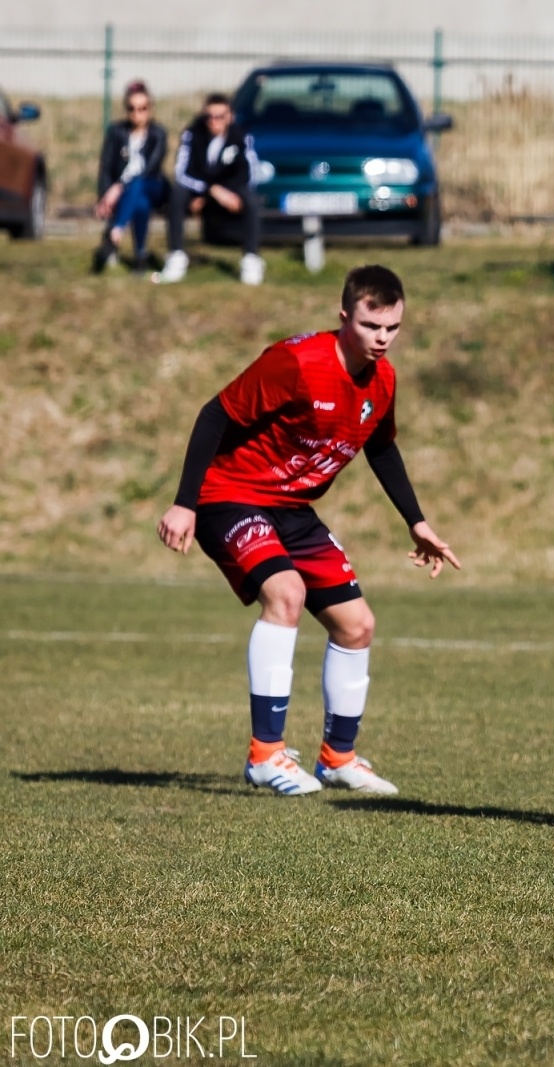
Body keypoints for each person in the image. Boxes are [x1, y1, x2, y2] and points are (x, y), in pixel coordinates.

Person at [155, 265, 459, 796]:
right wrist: (185, 504)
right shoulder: (295, 362)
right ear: (345, 317)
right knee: (286, 593)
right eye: (371, 326)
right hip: (231, 496)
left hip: (294, 510)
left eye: (392, 328)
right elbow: (214, 415)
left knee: (357, 624)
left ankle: (338, 758)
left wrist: (418, 523)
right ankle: (265, 755)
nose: (382, 339)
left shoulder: (382, 380)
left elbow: (381, 448)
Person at [155, 93, 263, 286]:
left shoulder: (241, 136)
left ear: (230, 116)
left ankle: (251, 260)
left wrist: (227, 192)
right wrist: (210, 190)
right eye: (209, 117)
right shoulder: (192, 134)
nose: (214, 121)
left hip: (231, 193)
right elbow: (182, 172)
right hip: (199, 192)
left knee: (251, 199)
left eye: (220, 116)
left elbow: (250, 173)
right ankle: (177, 256)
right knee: (177, 194)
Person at [93, 81, 168, 273]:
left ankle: (116, 231)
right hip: (129, 194)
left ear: (150, 109)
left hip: (154, 186)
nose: (137, 114)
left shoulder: (158, 134)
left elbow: (150, 168)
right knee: (140, 204)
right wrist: (104, 196)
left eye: (142, 109)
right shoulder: (116, 132)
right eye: (132, 108)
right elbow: (106, 168)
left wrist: (119, 187)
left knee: (138, 183)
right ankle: (140, 256)